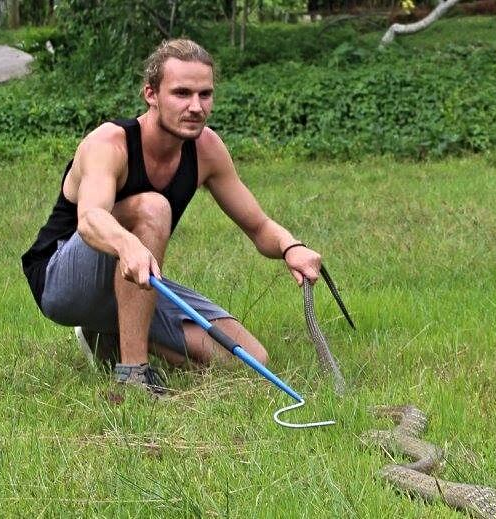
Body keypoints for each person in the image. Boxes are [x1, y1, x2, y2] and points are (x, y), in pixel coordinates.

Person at [21, 39, 323, 396]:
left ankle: (108, 333)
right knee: (153, 206)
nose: (196, 107)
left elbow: (258, 226)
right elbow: (89, 220)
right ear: (151, 94)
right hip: (62, 280)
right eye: (181, 93)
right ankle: (133, 375)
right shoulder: (109, 143)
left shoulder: (207, 149)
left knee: (248, 359)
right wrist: (126, 243)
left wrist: (291, 247)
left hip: (135, 277)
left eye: (205, 94)